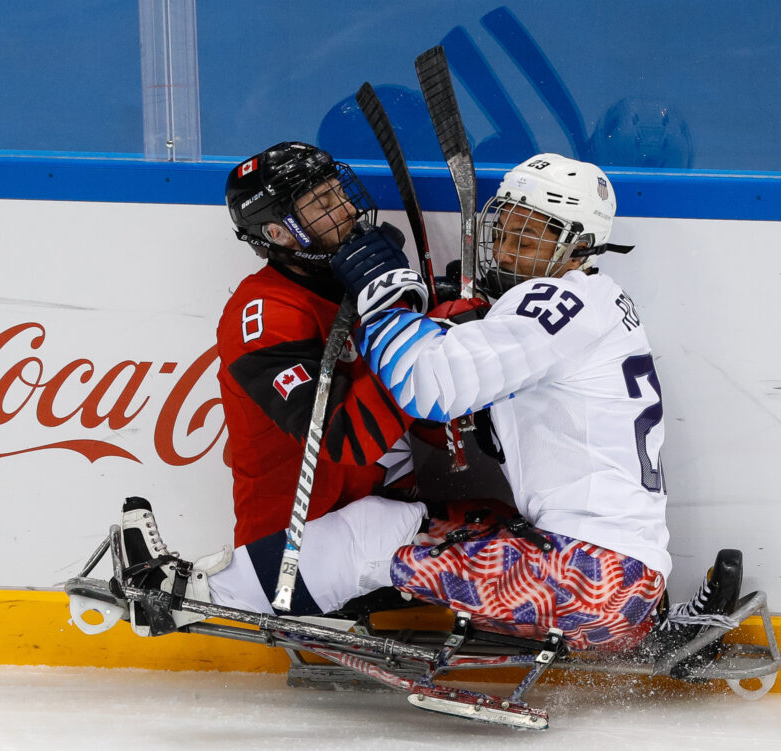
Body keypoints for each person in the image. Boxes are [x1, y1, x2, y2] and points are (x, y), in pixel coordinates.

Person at [119, 153, 741, 667]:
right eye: (507, 226)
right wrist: (443, 317)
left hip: (585, 578)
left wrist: (395, 308)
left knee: (372, 535)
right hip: (618, 579)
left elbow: (431, 388)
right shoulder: (595, 298)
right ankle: (196, 592)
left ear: (576, 244)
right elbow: (364, 424)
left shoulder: (548, 306)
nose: (507, 244)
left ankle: (181, 596)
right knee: (450, 514)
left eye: (531, 234)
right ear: (277, 231)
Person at [216, 141, 419, 549]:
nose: (347, 209)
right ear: (278, 233)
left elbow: (432, 420)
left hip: (385, 527)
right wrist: (413, 331)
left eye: (339, 191)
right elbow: (344, 439)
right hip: (301, 554)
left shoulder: (357, 284)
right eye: (324, 202)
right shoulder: (263, 317)